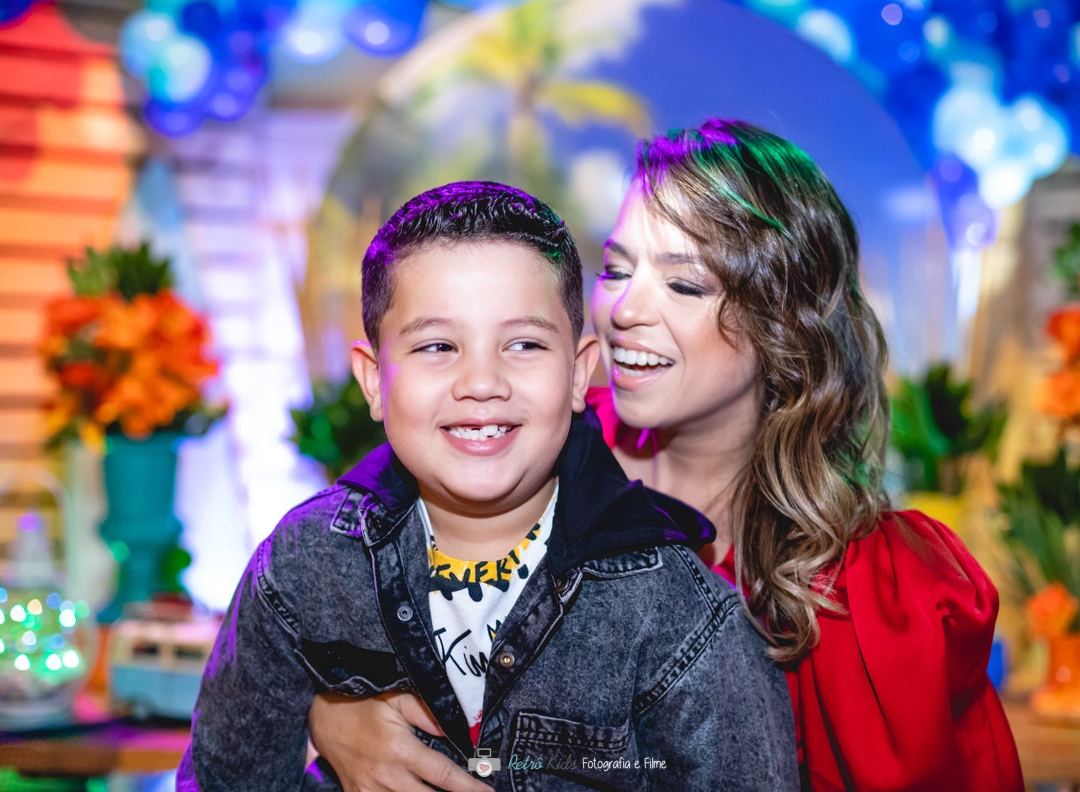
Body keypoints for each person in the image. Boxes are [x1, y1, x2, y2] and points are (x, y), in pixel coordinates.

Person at [306, 122, 1025, 792]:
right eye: (618, 270)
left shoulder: (875, 593)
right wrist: (327, 712)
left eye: (684, 283)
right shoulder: (504, 453)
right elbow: (304, 612)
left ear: (786, 324)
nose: (621, 310)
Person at [177, 180, 799, 791]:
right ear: (373, 381)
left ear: (580, 374)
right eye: (438, 345)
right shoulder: (301, 567)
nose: (481, 382)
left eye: (524, 344)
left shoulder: (677, 614)